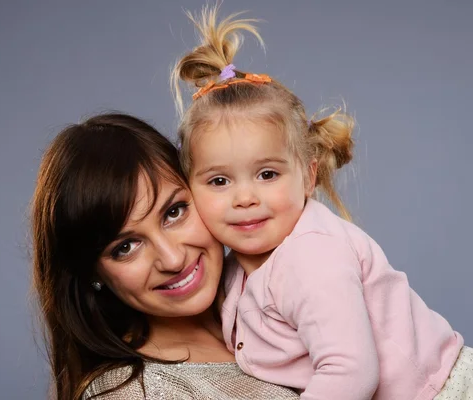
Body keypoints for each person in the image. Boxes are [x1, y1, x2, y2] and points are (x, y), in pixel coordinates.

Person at [171, 5, 472, 400]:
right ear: (189, 189)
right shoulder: (232, 271)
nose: (245, 198)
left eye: (267, 174)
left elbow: (351, 373)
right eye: (219, 180)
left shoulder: (311, 257)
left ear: (309, 176)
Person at [31, 113, 300, 399]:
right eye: (125, 248)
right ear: (93, 273)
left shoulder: (276, 296)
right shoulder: (133, 392)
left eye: (174, 212)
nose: (172, 259)